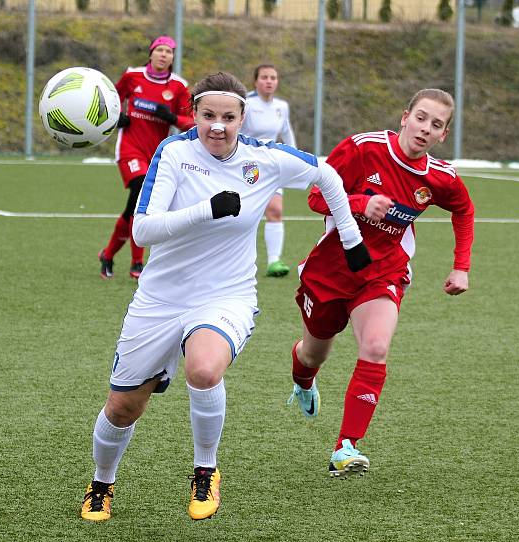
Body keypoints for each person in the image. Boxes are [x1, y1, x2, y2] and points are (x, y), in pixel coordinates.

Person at [80, 72, 371, 522]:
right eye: (208, 115)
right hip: (160, 298)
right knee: (122, 407)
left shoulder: (266, 158)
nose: (217, 126)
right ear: (194, 114)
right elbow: (143, 228)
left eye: (228, 117)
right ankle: (101, 482)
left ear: (243, 118)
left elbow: (328, 173)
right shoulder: (174, 152)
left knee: (204, 368)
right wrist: (206, 210)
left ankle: (205, 471)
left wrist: (351, 240)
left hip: (226, 295)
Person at [287, 88, 475, 479]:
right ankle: (304, 379)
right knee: (312, 354)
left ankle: (345, 446)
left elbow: (464, 210)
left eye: (436, 125)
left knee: (375, 346)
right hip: (330, 271)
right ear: (405, 116)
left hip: (383, 272)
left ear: (443, 135)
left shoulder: (440, 178)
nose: (425, 128)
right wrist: (357, 203)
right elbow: (316, 198)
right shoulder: (362, 148)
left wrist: (461, 267)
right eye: (421, 118)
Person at [98, 35, 195, 280]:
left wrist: (172, 119)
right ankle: (137, 263)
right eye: (159, 50)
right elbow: (111, 99)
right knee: (140, 192)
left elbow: (192, 123)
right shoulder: (133, 76)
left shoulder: (178, 87)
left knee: (138, 208)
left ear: (173, 58)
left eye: (169, 51)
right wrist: (116, 118)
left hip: (157, 155)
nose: (164, 55)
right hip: (130, 149)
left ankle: (108, 255)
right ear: (150, 54)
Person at [241, 64, 300, 278]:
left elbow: (286, 132)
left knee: (275, 210)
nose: (269, 81)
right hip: (247, 165)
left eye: (273, 78)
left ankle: (274, 261)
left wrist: (294, 157)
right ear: (255, 81)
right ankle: (238, 261)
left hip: (274, 165)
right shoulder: (246, 103)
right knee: (245, 213)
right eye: (264, 77)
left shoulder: (281, 106)